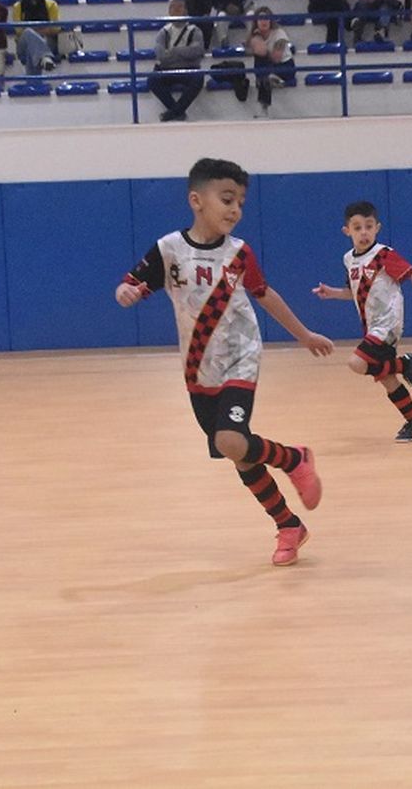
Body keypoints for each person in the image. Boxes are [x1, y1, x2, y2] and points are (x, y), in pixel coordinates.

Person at [115, 157, 334, 567]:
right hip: (198, 367)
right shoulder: (168, 250)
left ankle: (295, 458)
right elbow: (131, 285)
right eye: (227, 199)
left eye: (240, 202)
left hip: (240, 355)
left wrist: (303, 335)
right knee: (239, 453)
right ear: (196, 200)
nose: (235, 209)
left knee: (229, 439)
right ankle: (288, 525)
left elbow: (265, 294)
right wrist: (125, 293)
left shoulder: (239, 253)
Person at [313, 201, 412, 443]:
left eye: (369, 226)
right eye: (358, 227)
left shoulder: (383, 254)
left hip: (388, 323)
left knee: (356, 363)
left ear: (377, 228)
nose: (364, 232)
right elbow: (353, 291)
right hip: (371, 325)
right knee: (385, 377)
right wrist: (331, 292)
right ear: (347, 231)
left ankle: (404, 364)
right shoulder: (349, 259)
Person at [150, 0, 207, 121]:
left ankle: (173, 112)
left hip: (188, 69)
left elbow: (197, 51)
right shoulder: (163, 32)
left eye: (180, 7)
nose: (176, 10)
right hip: (168, 68)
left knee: (198, 79)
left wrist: (174, 51)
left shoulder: (195, 30)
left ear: (186, 11)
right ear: (169, 12)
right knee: (152, 80)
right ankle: (177, 111)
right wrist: (184, 52)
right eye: (173, 8)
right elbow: (160, 55)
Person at [245, 6, 294, 118]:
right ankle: (268, 80)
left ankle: (264, 106)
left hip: (284, 65)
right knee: (261, 64)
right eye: (261, 19)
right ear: (256, 22)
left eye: (267, 19)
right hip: (268, 65)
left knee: (263, 64)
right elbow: (248, 50)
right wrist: (256, 40)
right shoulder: (255, 35)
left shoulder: (279, 33)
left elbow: (277, 58)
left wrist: (263, 48)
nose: (264, 22)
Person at [10, 0, 62, 73]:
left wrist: (34, 32)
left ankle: (33, 86)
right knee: (28, 34)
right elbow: (19, 30)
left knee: (32, 48)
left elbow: (56, 28)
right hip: (23, 45)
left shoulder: (51, 5)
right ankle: (45, 57)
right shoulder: (18, 7)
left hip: (47, 42)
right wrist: (40, 30)